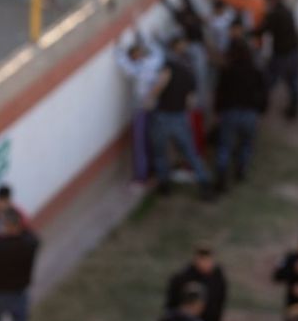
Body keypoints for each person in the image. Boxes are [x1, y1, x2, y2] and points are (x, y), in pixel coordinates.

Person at [150, 38, 214, 200]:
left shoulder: (169, 67)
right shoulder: (189, 74)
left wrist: (149, 99)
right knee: (190, 152)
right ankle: (204, 182)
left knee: (160, 152)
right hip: (180, 116)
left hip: (163, 115)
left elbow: (159, 86)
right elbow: (190, 102)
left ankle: (164, 185)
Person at [212, 38, 267, 190]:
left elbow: (220, 93)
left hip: (230, 113)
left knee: (224, 145)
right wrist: (261, 110)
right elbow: (263, 93)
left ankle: (222, 175)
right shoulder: (255, 71)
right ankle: (241, 170)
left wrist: (218, 110)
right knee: (246, 144)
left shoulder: (227, 71)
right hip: (250, 113)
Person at [114, 30, 164, 183]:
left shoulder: (148, 63)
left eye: (140, 52)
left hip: (150, 105)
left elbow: (158, 53)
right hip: (143, 107)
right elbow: (122, 62)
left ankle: (150, 171)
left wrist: (143, 38)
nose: (139, 55)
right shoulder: (136, 68)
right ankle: (144, 173)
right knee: (142, 141)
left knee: (150, 139)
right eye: (135, 54)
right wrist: (119, 47)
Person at [254, 0, 298, 121]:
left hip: (281, 55)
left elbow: (262, 30)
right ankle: (294, 109)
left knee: (268, 81)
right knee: (293, 83)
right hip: (294, 52)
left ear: (273, 0)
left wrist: (248, 32)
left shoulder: (274, 15)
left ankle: (262, 106)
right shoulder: (287, 11)